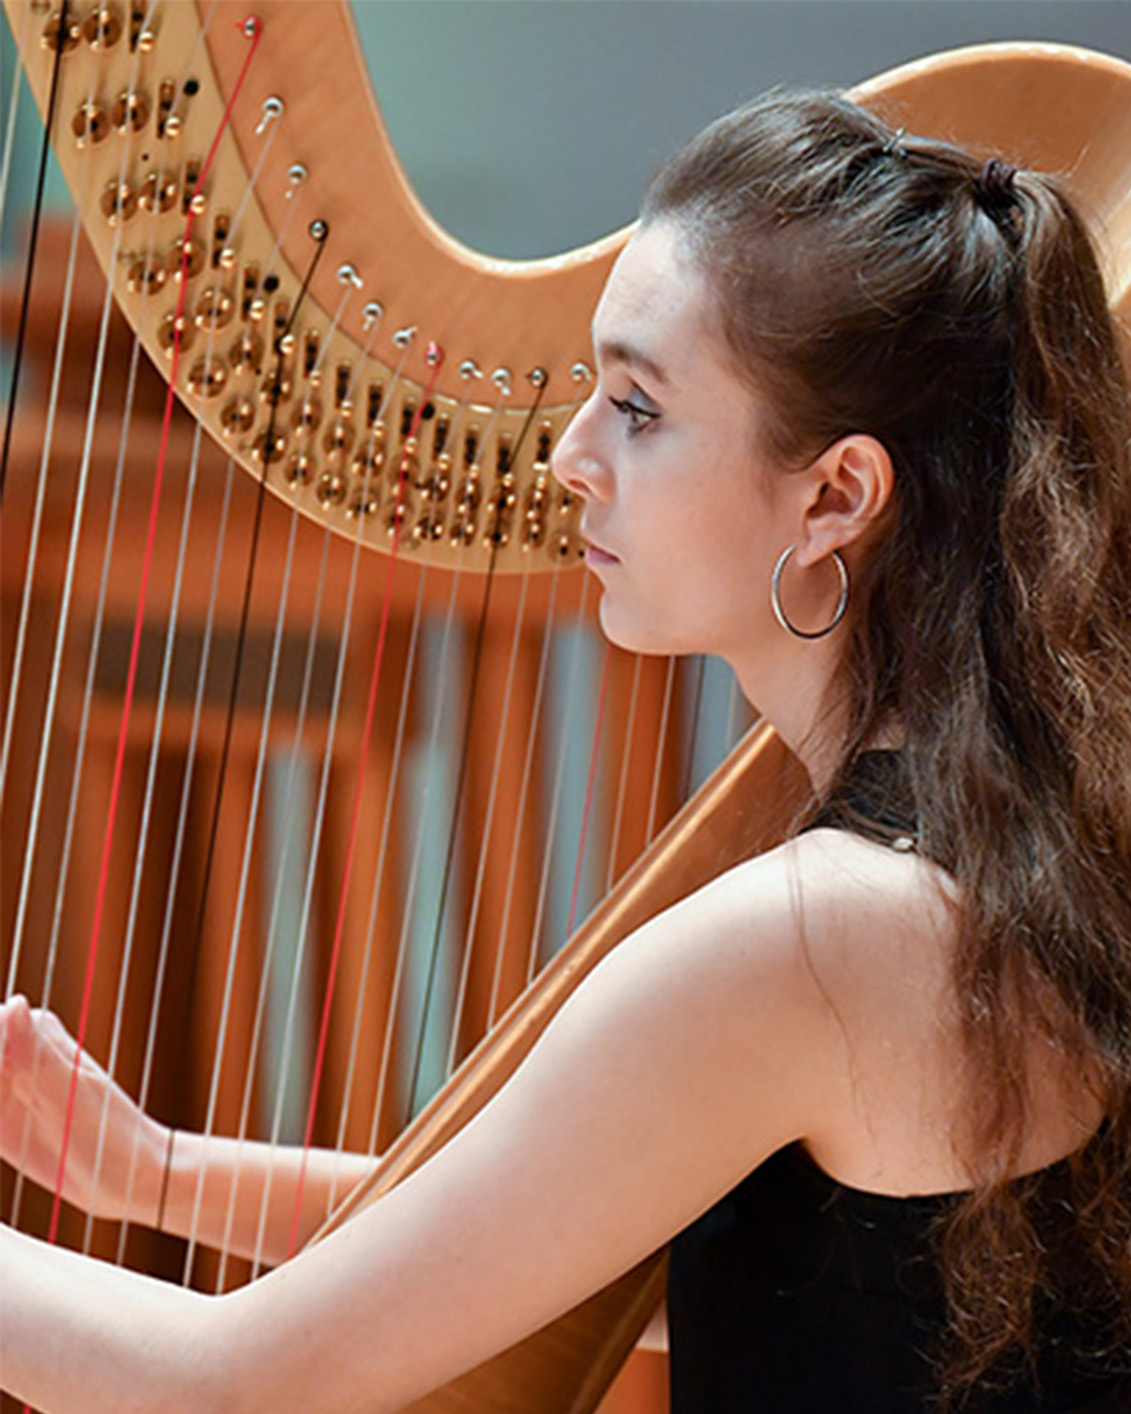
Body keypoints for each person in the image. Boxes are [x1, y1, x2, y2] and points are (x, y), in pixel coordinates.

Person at [3, 89, 1131, 1413]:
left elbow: (232, 1384)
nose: (566, 453)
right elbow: (603, 1237)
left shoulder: (819, 939)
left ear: (836, 496)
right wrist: (161, 1179)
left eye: (637, 406)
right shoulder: (985, 859)